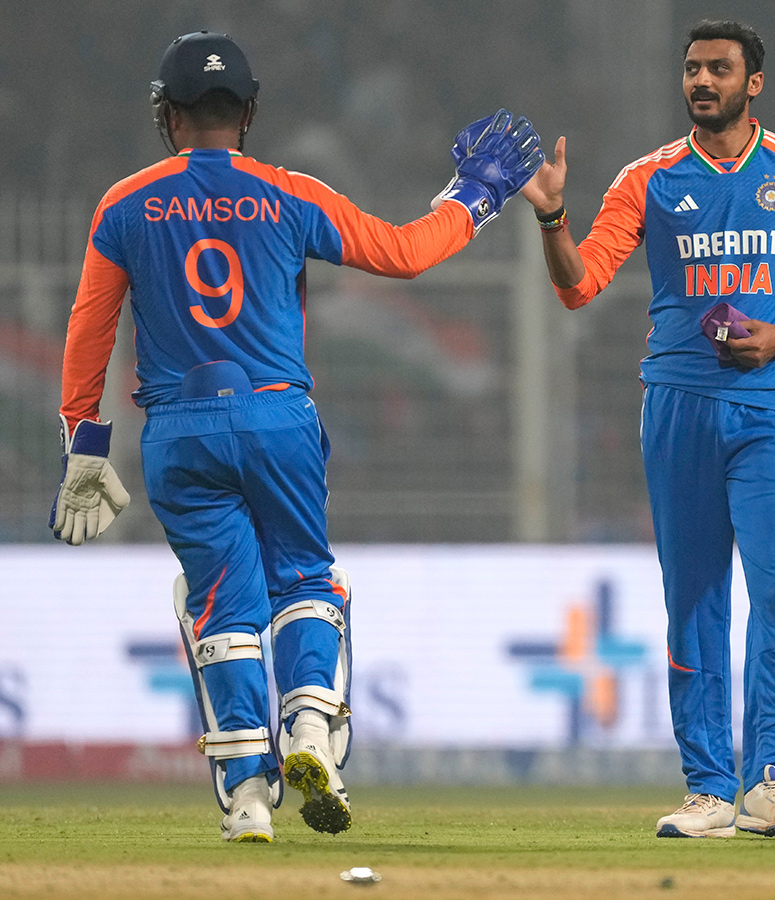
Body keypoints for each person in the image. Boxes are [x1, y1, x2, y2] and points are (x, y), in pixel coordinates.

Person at [49, 30, 542, 843]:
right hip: (280, 418)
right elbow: (403, 254)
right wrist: (475, 198)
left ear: (166, 116)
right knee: (308, 580)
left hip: (178, 431)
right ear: (248, 112)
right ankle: (312, 730)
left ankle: (247, 796)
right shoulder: (289, 193)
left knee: (220, 603)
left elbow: (88, 330)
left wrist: (85, 444)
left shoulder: (125, 204)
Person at [520, 19, 775, 839]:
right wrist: (550, 219)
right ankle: (710, 789)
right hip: (677, 406)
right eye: (692, 69)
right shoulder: (648, 178)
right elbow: (580, 287)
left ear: (755, 83)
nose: (702, 81)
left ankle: (773, 783)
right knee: (695, 601)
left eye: (719, 69)